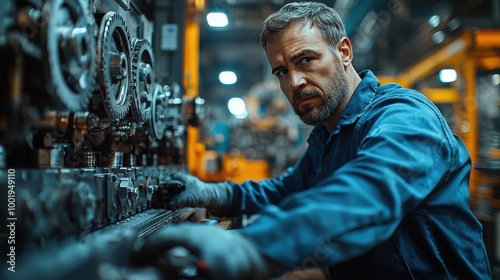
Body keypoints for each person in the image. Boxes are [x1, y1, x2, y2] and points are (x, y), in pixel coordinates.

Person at [130, 2, 492, 279]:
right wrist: (215, 194)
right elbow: (288, 189)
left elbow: (368, 192)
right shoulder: (327, 136)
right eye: (282, 71)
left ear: (344, 52)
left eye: (306, 60)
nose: (295, 83)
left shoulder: (403, 116)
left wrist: (250, 247)